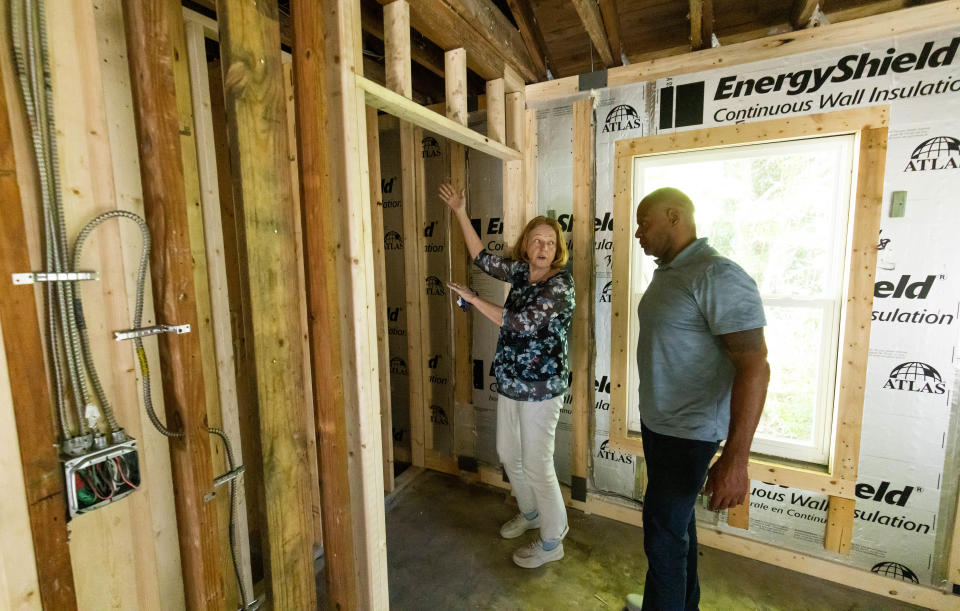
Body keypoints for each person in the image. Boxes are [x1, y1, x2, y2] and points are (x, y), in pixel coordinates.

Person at [626, 187, 770, 611]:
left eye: (644, 222)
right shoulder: (673, 272)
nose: (637, 233)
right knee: (676, 526)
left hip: (688, 435)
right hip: (663, 427)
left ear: (674, 216)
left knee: (663, 536)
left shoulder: (716, 274)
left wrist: (736, 460)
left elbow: (754, 365)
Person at [439, 183, 575, 569]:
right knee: (507, 455)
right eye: (537, 241)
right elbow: (482, 258)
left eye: (550, 242)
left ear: (557, 249)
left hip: (542, 390)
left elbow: (516, 322)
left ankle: (553, 540)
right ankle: (530, 514)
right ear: (526, 245)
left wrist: (473, 297)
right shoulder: (521, 272)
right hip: (512, 383)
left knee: (537, 464)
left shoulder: (560, 285)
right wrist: (460, 211)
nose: (543, 247)